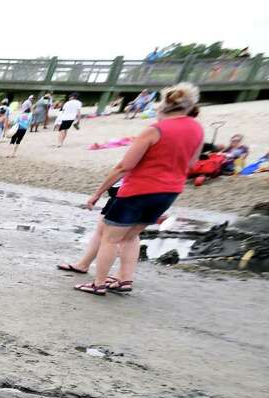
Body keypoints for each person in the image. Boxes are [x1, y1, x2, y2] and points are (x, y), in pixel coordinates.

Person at [75, 83, 203, 296]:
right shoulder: (197, 128)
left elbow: (124, 166)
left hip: (138, 190)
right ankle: (125, 279)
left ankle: (98, 283)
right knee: (131, 236)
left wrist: (98, 193)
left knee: (110, 237)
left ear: (162, 108)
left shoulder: (155, 129)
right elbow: (191, 165)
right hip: (169, 192)